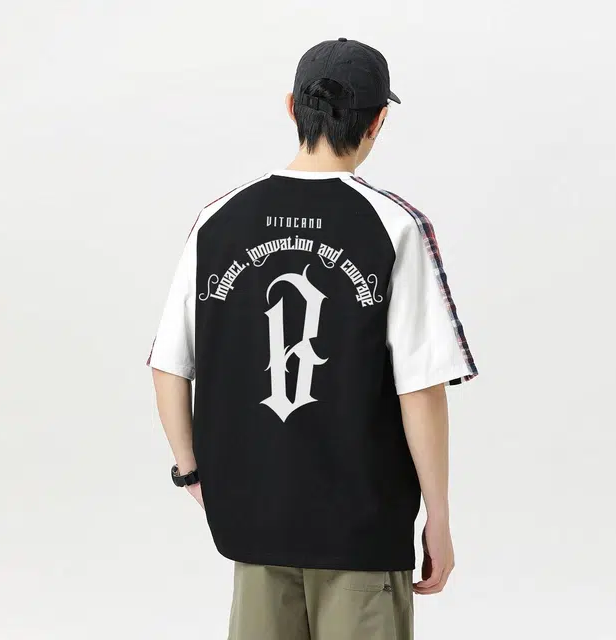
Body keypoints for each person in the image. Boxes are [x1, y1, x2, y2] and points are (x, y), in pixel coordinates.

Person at [147, 37, 478, 640]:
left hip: (253, 522)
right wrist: (438, 517)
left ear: (292, 108)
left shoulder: (218, 219)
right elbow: (421, 389)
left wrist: (192, 474)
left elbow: (168, 365)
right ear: (378, 121)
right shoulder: (395, 225)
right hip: (363, 530)